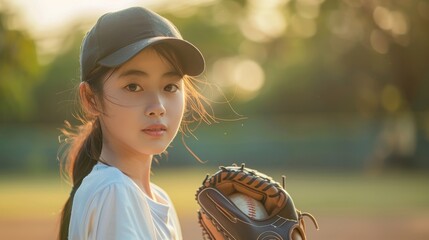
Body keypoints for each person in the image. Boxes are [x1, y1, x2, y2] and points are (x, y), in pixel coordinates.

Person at [58, 6, 213, 240]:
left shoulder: (156, 198)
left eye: (170, 86)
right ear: (91, 99)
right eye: (133, 86)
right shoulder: (114, 191)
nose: (158, 106)